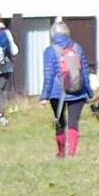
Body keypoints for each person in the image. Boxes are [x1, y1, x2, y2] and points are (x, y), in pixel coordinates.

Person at [37, 22, 93, 156]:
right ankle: (72, 152)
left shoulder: (50, 51)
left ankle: (61, 152)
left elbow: (49, 75)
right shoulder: (78, 48)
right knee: (74, 122)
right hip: (78, 91)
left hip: (57, 93)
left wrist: (44, 97)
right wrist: (89, 92)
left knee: (60, 122)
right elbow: (84, 73)